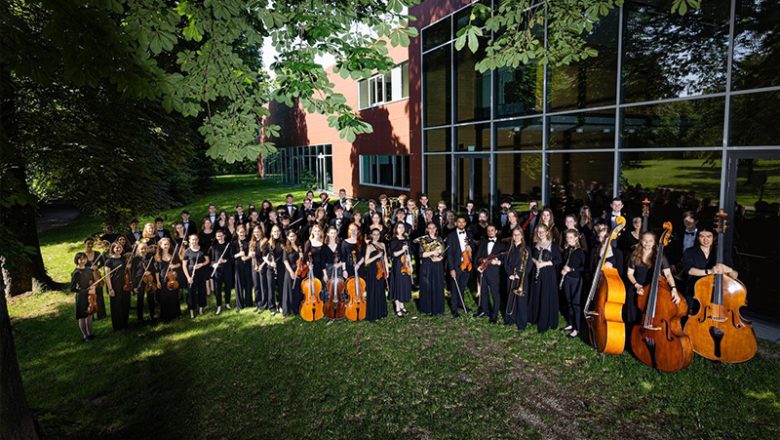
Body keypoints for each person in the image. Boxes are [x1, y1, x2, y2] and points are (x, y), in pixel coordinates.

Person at [626, 232, 682, 328]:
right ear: (641, 241)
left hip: (654, 288)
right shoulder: (635, 255)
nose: (647, 243)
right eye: (645, 240)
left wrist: (674, 288)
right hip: (637, 287)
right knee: (634, 317)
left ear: (654, 242)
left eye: (650, 241)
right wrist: (637, 285)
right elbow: (629, 273)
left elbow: (668, 274)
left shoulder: (659, 257)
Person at [680, 227, 738, 312]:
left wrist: (728, 269)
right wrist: (710, 271)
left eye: (708, 236)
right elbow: (690, 270)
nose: (705, 239)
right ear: (698, 237)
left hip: (718, 294)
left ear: (713, 237)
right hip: (694, 293)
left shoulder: (722, 253)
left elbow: (735, 275)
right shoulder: (690, 252)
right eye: (702, 236)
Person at [529, 224, 561, 333]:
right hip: (536, 273)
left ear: (547, 232)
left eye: (543, 231)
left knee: (545, 296)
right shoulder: (535, 244)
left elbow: (558, 260)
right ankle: (536, 318)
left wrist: (545, 264)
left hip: (548, 274)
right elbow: (531, 257)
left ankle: (545, 321)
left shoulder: (552, 245)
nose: (541, 233)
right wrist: (535, 262)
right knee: (537, 294)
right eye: (538, 232)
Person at [475, 224, 505, 323]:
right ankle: (484, 310)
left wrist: (497, 262)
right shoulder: (483, 243)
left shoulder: (502, 245)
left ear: (496, 231)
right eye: (488, 230)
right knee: (483, 292)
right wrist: (478, 267)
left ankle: (494, 315)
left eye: (492, 230)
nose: (490, 232)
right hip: (483, 271)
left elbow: (504, 261)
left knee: (495, 294)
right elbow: (477, 257)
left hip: (494, 273)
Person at [504, 228, 532, 330]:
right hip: (511, 277)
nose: (516, 237)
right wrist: (509, 274)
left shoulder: (526, 249)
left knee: (521, 301)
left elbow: (528, 265)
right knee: (510, 298)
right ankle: (510, 319)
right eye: (514, 235)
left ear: (522, 236)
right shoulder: (509, 248)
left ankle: (521, 323)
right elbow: (505, 263)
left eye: (518, 235)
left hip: (521, 278)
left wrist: (520, 275)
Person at [560, 229, 586, 338]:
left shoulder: (580, 252)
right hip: (567, 279)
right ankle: (571, 324)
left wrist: (571, 269)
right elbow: (565, 262)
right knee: (569, 302)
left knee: (576, 304)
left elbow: (583, 268)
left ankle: (577, 329)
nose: (568, 239)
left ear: (576, 238)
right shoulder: (567, 250)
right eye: (567, 237)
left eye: (571, 237)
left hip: (576, 280)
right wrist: (563, 270)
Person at [446, 216, 473, 317]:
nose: (461, 224)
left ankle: (461, 303)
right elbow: (449, 254)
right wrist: (451, 268)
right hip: (457, 265)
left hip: (467, 264)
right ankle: (454, 308)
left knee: (462, 286)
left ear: (465, 223)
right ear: (456, 223)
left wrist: (471, 248)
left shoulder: (469, 234)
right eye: (459, 222)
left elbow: (473, 248)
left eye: (463, 222)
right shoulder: (451, 236)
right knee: (454, 287)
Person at [418, 222, 446, 316]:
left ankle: (438, 309)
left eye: (433, 227)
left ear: (436, 229)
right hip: (427, 265)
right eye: (430, 228)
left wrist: (440, 258)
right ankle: (428, 308)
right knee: (428, 285)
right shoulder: (423, 240)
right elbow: (421, 254)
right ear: (427, 229)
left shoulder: (439, 239)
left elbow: (443, 252)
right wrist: (432, 254)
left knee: (438, 285)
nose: (432, 229)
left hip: (438, 265)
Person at [103, 242, 131, 331]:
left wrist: (128, 267)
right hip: (115, 285)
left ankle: (125, 323)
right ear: (112, 249)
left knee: (125, 304)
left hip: (125, 284)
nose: (118, 249)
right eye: (116, 248)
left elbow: (127, 272)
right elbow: (107, 276)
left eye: (120, 247)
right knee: (116, 305)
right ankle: (117, 326)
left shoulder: (124, 259)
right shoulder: (109, 261)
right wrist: (110, 288)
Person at [364, 228, 389, 321]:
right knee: (374, 291)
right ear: (371, 235)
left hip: (381, 270)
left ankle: (381, 312)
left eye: (378, 234)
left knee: (380, 291)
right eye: (374, 234)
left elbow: (385, 258)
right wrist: (376, 256)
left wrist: (387, 270)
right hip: (373, 271)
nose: (376, 236)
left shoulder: (382, 244)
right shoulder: (369, 246)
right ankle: (374, 314)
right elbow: (366, 262)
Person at [182, 234, 210, 318]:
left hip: (201, 273)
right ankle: (191, 311)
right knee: (191, 292)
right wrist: (188, 277)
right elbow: (184, 266)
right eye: (192, 240)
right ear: (189, 241)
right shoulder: (187, 251)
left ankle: (201, 309)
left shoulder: (202, 250)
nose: (194, 241)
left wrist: (201, 264)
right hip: (191, 274)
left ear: (198, 240)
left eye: (195, 239)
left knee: (202, 290)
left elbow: (207, 260)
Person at [155, 238, 182, 321]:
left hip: (173, 279)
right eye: (165, 244)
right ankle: (166, 316)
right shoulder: (157, 257)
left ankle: (175, 314)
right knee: (164, 298)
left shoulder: (173, 255)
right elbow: (157, 271)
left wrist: (174, 266)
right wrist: (158, 281)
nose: (167, 246)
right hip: (163, 280)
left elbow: (179, 264)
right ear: (160, 245)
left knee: (174, 296)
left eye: (168, 244)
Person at [389, 222, 413, 317]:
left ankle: (402, 305)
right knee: (398, 285)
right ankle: (397, 308)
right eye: (399, 227)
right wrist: (402, 250)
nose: (401, 229)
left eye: (402, 227)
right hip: (398, 265)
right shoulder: (394, 240)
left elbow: (408, 254)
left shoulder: (407, 240)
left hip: (405, 265)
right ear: (396, 229)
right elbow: (393, 254)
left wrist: (410, 265)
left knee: (403, 285)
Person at [70, 253, 95, 342]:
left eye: (84, 258)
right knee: (82, 317)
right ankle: (85, 336)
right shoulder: (76, 273)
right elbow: (72, 289)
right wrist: (86, 291)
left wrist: (91, 284)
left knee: (89, 315)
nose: (83, 261)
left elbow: (90, 280)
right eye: (80, 259)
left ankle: (90, 333)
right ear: (77, 260)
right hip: (81, 296)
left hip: (89, 296)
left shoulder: (88, 269)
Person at [210, 230, 234, 314]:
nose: (219, 238)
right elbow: (212, 260)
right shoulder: (214, 247)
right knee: (218, 289)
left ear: (224, 236)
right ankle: (219, 305)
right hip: (217, 271)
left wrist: (225, 260)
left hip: (227, 269)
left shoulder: (229, 245)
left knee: (228, 287)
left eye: (221, 236)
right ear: (216, 237)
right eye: (218, 236)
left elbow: (232, 259)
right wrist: (214, 264)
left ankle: (227, 303)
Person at [83, 237, 107, 320]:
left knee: (99, 293)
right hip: (87, 277)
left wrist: (97, 266)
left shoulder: (97, 253)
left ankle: (102, 314)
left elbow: (103, 263)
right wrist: (88, 268)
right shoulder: (82, 255)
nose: (90, 245)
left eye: (91, 243)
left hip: (96, 275)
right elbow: (78, 265)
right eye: (88, 243)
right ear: (85, 244)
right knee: (90, 296)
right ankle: (91, 314)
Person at [281, 230, 302, 316]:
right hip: (290, 271)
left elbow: (301, 259)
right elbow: (285, 261)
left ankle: (296, 309)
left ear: (296, 236)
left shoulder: (299, 247)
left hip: (298, 270)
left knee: (297, 290)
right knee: (290, 290)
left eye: (293, 236)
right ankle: (289, 310)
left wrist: (301, 255)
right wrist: (291, 272)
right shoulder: (286, 248)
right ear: (288, 237)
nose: (292, 238)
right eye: (290, 236)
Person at [264, 225, 285, 315]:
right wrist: (270, 263)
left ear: (280, 232)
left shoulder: (283, 242)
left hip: (281, 268)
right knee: (271, 288)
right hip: (271, 268)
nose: (276, 233)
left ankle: (281, 305)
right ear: (271, 233)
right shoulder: (268, 243)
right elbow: (264, 256)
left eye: (278, 231)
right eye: (274, 231)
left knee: (281, 287)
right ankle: (272, 307)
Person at [232, 225, 253, 311]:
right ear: (237, 232)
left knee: (248, 283)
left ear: (245, 232)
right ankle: (240, 304)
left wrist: (247, 257)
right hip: (238, 265)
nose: (242, 233)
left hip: (247, 264)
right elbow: (231, 256)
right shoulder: (234, 243)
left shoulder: (249, 242)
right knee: (239, 284)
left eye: (243, 232)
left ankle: (249, 302)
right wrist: (239, 254)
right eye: (240, 232)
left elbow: (251, 253)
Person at [250, 225, 267, 313]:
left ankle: (264, 304)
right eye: (255, 232)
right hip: (254, 265)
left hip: (262, 265)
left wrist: (261, 266)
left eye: (258, 232)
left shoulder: (265, 241)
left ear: (261, 232)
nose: (256, 234)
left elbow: (266, 256)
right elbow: (251, 255)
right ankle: (258, 303)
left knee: (262, 285)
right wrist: (255, 265)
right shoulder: (252, 242)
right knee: (256, 285)